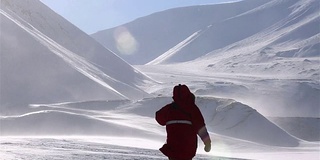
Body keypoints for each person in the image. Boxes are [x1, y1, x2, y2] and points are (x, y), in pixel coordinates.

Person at [156, 84, 211, 160]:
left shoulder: (169, 109)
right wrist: (207, 142)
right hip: (187, 149)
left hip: (173, 148)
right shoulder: (192, 109)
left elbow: (159, 118)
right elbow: (200, 126)